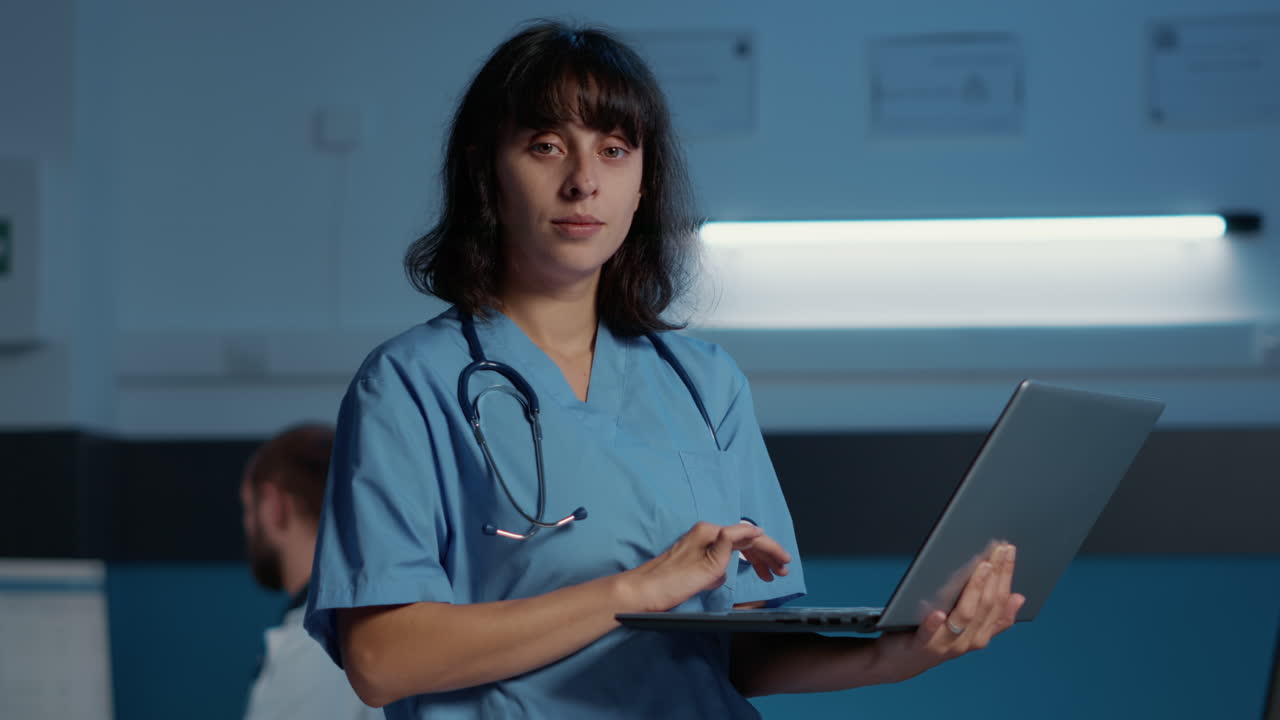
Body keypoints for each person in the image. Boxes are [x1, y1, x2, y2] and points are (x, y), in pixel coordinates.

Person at [304, 21, 1025, 719]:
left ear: (643, 183)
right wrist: (640, 589)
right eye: (548, 146)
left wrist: (906, 648)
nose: (584, 181)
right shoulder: (408, 384)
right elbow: (382, 660)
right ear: (487, 171)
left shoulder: (704, 382)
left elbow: (740, 655)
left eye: (615, 149)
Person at [240, 423, 382, 720]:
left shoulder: (314, 650)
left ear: (274, 505)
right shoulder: (374, 619)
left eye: (248, 510)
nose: (247, 527)